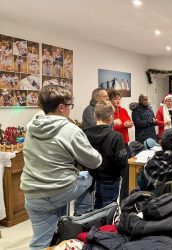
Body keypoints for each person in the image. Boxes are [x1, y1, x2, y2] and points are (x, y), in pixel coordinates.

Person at [20, 85, 102, 249]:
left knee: (40, 241)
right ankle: (81, 217)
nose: (71, 109)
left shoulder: (31, 127)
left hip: (32, 193)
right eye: (70, 105)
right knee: (89, 176)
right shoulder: (70, 129)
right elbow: (94, 161)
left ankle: (62, 227)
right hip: (59, 189)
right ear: (62, 107)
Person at [84, 100, 128, 209]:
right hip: (110, 179)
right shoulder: (116, 137)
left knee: (93, 211)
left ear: (94, 115)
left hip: (89, 178)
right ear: (110, 118)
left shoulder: (84, 134)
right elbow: (122, 162)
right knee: (108, 212)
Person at [109, 90, 133, 203]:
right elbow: (112, 126)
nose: (118, 101)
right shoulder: (109, 112)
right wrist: (123, 124)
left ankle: (124, 191)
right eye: (115, 99)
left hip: (124, 141)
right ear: (110, 100)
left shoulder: (123, 110)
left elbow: (129, 121)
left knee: (127, 167)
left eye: (119, 98)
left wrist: (128, 123)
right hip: (115, 143)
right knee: (119, 167)